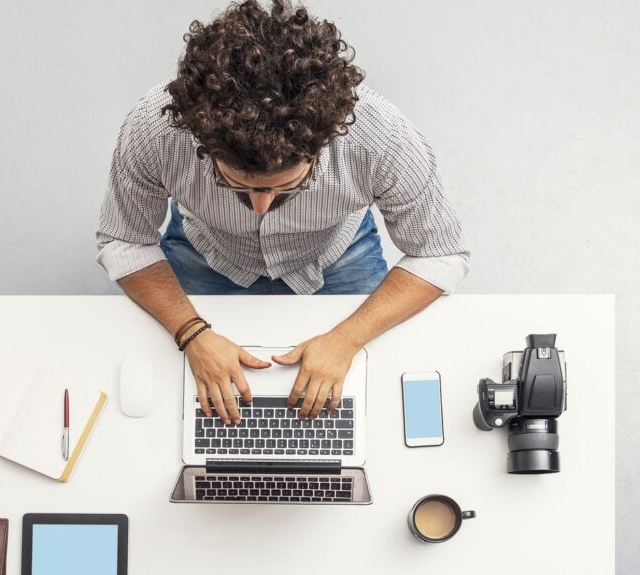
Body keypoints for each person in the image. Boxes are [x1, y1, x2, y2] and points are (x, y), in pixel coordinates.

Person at [96, 0, 469, 426]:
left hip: (337, 255)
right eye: (236, 184)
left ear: (323, 145)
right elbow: (125, 240)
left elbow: (440, 253)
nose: (260, 207)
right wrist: (191, 332)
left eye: (286, 187)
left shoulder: (380, 136)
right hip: (204, 253)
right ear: (203, 143)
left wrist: (347, 340)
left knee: (371, 401)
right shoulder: (156, 128)